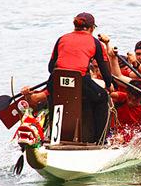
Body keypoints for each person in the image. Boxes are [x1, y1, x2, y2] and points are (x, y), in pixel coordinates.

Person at [48, 12, 112, 143]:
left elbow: (50, 68)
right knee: (102, 97)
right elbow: (106, 74)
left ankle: (52, 135)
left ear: (75, 26)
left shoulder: (62, 38)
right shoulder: (95, 42)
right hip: (80, 81)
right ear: (92, 28)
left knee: (51, 93)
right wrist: (109, 84)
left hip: (56, 80)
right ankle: (100, 140)